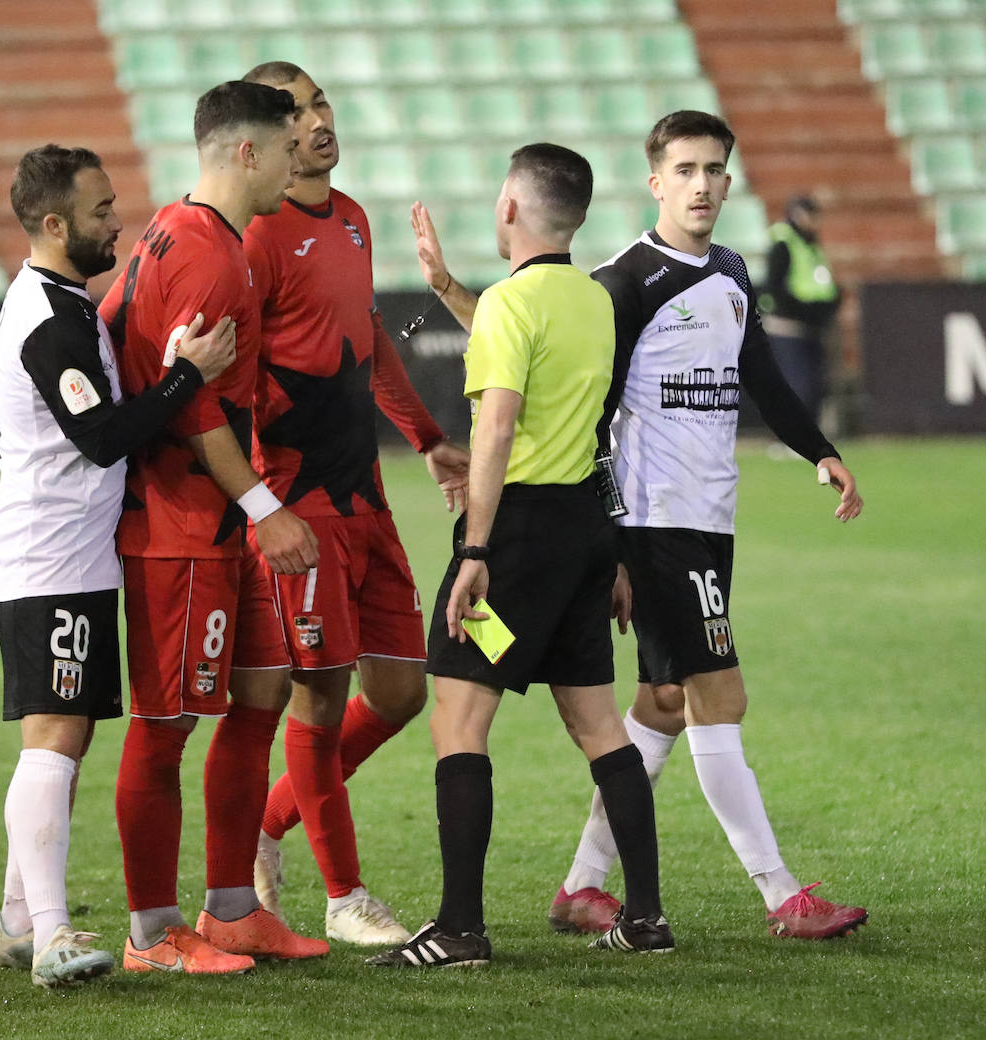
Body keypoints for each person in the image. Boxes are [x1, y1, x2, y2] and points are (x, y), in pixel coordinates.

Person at [411, 111, 869, 941]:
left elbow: (757, 372)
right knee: (717, 697)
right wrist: (602, 524)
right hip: (651, 520)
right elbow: (563, 390)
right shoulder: (624, 280)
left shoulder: (729, 271)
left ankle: (585, 886)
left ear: (730, 182)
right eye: (685, 169)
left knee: (661, 701)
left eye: (715, 169)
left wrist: (818, 450)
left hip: (708, 516)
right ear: (655, 181)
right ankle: (782, 893)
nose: (702, 184)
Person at [369, 144, 673, 968]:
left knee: (459, 717)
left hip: (519, 535)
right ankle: (643, 917)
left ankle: (461, 928)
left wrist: (475, 547)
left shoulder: (511, 305)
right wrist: (443, 287)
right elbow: (538, 362)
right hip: (583, 529)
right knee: (598, 724)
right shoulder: (594, 301)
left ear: (509, 208)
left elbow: (497, 425)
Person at [0, 144, 237, 987]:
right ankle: (52, 935)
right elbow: (99, 442)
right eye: (98, 211)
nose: (114, 221)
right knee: (53, 735)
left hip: (75, 551)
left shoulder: (64, 299)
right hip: (47, 552)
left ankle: (20, 919)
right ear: (54, 225)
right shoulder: (51, 321)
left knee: (72, 732)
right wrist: (184, 378)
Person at [238, 61, 471, 947]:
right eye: (295, 112)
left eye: (321, 101)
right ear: (266, 137)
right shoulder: (257, 239)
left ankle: (269, 823)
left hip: (365, 497)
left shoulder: (354, 218)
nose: (317, 121)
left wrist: (426, 436)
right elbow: (233, 374)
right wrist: (257, 501)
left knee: (402, 690)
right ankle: (345, 896)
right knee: (321, 699)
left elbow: (367, 339)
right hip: (300, 505)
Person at [98, 80, 329, 974]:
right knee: (162, 726)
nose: (292, 163)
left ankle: (232, 908)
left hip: (216, 523)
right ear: (246, 153)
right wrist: (262, 507)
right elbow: (192, 410)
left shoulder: (176, 227)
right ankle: (151, 933)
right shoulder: (211, 258)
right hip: (184, 524)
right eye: (282, 149)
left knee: (262, 687)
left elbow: (120, 326)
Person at [760, 193, 840, 422]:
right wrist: (804, 309)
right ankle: (789, 437)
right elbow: (775, 288)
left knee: (814, 384)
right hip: (787, 325)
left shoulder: (810, 243)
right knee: (797, 383)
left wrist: (828, 304)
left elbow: (819, 282)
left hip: (810, 325)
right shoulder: (784, 243)